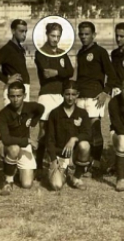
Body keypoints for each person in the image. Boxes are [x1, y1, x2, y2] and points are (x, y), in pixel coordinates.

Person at [76, 21, 118, 175]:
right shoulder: (80, 53)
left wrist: (105, 92)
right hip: (80, 97)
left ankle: (96, 163)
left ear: (93, 35)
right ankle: (83, 161)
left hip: (95, 98)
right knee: (81, 131)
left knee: (95, 131)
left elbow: (112, 76)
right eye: (81, 34)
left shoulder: (100, 52)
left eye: (87, 34)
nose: (83, 37)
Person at [34, 22, 74, 179]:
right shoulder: (40, 52)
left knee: (62, 130)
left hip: (60, 95)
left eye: (58, 36)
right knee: (43, 132)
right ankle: (38, 166)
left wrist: (57, 71)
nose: (55, 39)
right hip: (46, 95)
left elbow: (70, 71)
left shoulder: (62, 53)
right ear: (47, 35)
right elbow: (46, 74)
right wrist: (61, 72)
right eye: (52, 35)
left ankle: (63, 165)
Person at [0, 82, 44, 196]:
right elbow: (6, 139)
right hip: (6, 145)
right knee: (14, 149)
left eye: (19, 96)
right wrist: (28, 141)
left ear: (24, 95)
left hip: (23, 145)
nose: (15, 99)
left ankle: (16, 169)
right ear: (8, 96)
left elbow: (41, 108)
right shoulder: (3, 114)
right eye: (12, 96)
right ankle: (8, 181)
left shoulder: (30, 106)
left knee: (27, 184)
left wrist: (33, 122)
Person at [46, 80, 92, 190]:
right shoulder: (54, 113)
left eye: (73, 94)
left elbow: (88, 134)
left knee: (85, 145)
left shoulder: (82, 113)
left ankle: (76, 176)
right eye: (67, 94)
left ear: (77, 95)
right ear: (62, 94)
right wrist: (53, 160)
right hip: (59, 154)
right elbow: (49, 139)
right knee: (56, 185)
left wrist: (74, 139)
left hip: (74, 154)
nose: (70, 98)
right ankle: (64, 170)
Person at [0, 19, 30, 106]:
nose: (24, 34)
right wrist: (6, 79)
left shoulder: (20, 49)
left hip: (24, 90)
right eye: (21, 31)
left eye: (25, 31)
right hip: (13, 92)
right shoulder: (6, 49)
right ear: (13, 31)